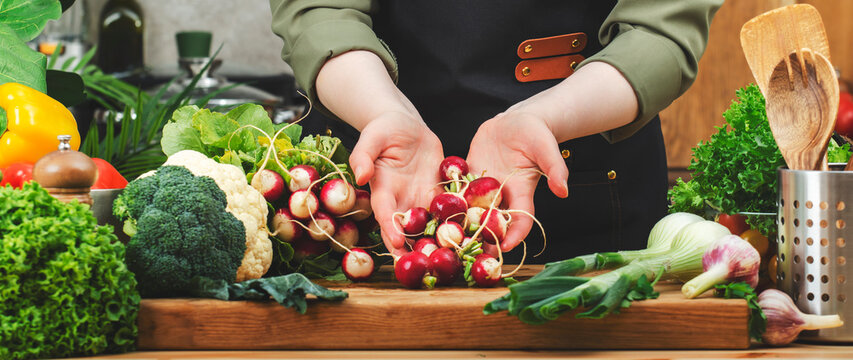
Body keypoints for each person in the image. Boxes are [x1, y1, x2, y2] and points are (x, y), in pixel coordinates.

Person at [269, 1, 723, 262]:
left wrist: (547, 117)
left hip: (586, 207)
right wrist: (381, 111)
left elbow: (661, 32)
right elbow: (319, 13)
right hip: (368, 205)